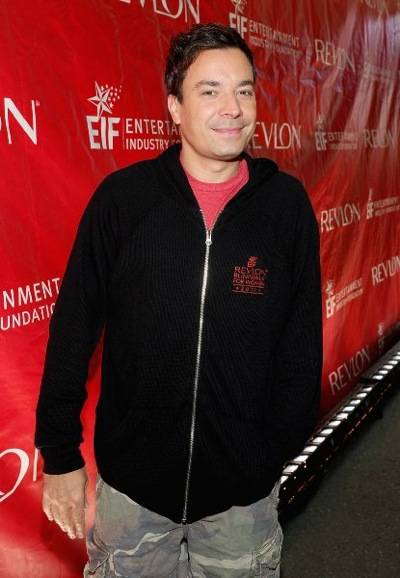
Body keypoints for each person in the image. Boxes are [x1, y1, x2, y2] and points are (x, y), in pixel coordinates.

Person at [35, 22, 323, 578]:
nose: (232, 108)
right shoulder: (124, 201)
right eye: (209, 91)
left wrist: (269, 453)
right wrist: (61, 454)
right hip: (133, 496)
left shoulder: (285, 207)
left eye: (243, 90)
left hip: (243, 499)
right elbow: (72, 330)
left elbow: (300, 342)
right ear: (174, 107)